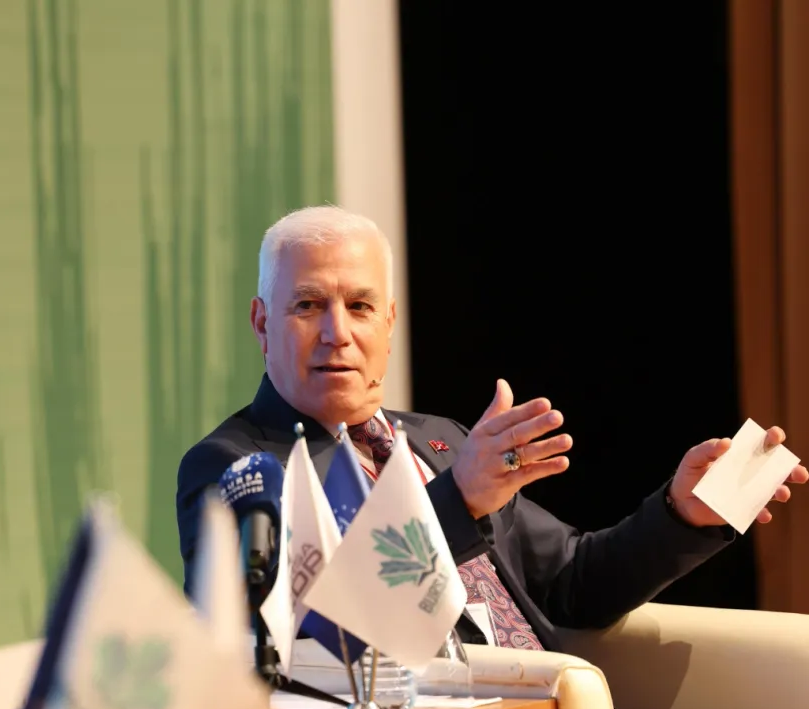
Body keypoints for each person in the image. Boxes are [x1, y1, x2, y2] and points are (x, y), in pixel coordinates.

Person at [177, 205, 807, 660]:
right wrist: (459, 499)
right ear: (262, 323)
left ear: (389, 323)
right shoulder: (236, 467)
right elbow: (308, 637)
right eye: (308, 305)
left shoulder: (437, 440)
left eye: (360, 307)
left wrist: (682, 514)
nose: (337, 333)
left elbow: (573, 584)